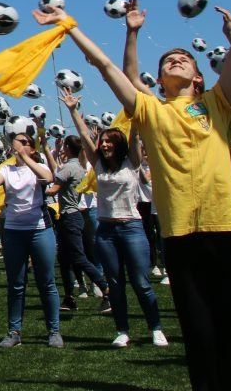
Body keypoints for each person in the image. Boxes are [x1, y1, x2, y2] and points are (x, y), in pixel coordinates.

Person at [105, 0, 231, 389]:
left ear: (198, 77)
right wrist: (131, 32)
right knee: (200, 331)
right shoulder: (154, 110)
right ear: (160, 80)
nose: (175, 60)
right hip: (182, 232)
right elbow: (129, 78)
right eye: (167, 60)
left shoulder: (217, 105)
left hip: (229, 227)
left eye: (183, 58)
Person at [62, 92, 167, 348]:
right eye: (103, 142)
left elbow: (135, 135)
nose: (105, 145)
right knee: (116, 284)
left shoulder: (131, 162)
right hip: (106, 231)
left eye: (109, 141)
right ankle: (122, 330)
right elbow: (86, 137)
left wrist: (134, 110)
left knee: (141, 283)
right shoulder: (98, 164)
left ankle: (156, 328)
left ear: (119, 145)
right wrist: (74, 111)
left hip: (131, 227)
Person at [0, 113, 61, 349]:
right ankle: (14, 331)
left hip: (39, 229)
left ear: (32, 148)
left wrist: (27, 156)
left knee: (47, 282)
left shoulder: (39, 165)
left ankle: (53, 330)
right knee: (16, 283)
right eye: (18, 141)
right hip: (13, 230)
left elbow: (48, 177)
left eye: (25, 142)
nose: (19, 144)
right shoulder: (8, 170)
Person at [52, 135, 109, 314]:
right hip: (70, 216)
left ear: (68, 148)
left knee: (78, 257)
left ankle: (106, 289)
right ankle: (69, 298)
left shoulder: (69, 167)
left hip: (70, 217)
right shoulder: (78, 167)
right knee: (64, 259)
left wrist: (35, 188)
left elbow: (53, 188)